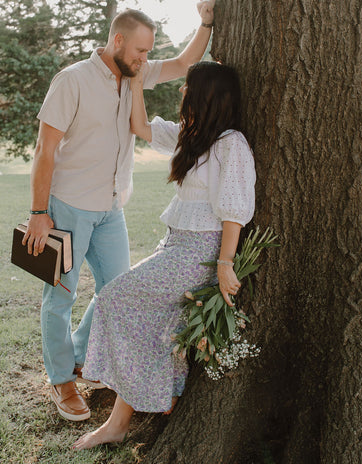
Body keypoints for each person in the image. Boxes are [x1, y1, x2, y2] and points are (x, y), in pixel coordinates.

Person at [22, 0, 215, 422]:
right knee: (60, 297)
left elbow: (184, 62)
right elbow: (45, 149)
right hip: (67, 206)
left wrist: (205, 23)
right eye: (140, 51)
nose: (145, 60)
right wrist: (39, 211)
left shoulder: (134, 75)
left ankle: (75, 355)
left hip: (111, 208)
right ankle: (61, 379)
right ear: (118, 40)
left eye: (148, 53)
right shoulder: (71, 81)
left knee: (117, 290)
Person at [72, 60, 256, 450]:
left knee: (115, 299)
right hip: (175, 245)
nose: (182, 92)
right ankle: (127, 418)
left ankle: (151, 397)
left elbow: (234, 210)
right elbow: (140, 127)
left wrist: (224, 265)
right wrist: (137, 82)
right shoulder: (193, 136)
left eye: (188, 87)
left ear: (207, 96)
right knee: (156, 328)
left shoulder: (230, 144)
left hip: (199, 254)